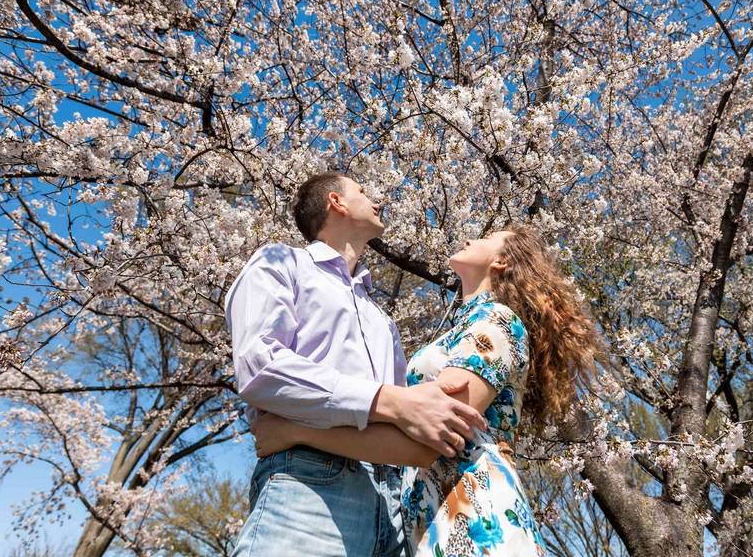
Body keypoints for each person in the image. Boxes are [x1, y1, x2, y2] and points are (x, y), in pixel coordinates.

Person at [254, 226, 602, 556]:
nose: (469, 239)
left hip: (476, 515)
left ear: (501, 261)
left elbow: (427, 441)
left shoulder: (496, 320)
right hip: (437, 518)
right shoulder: (466, 327)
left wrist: (295, 431)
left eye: (486, 238)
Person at [225, 171, 486, 557]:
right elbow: (260, 366)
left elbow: (409, 422)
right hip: (311, 483)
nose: (377, 201)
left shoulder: (381, 320)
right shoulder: (283, 264)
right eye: (363, 191)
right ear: (337, 202)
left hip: (394, 503)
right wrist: (392, 401)